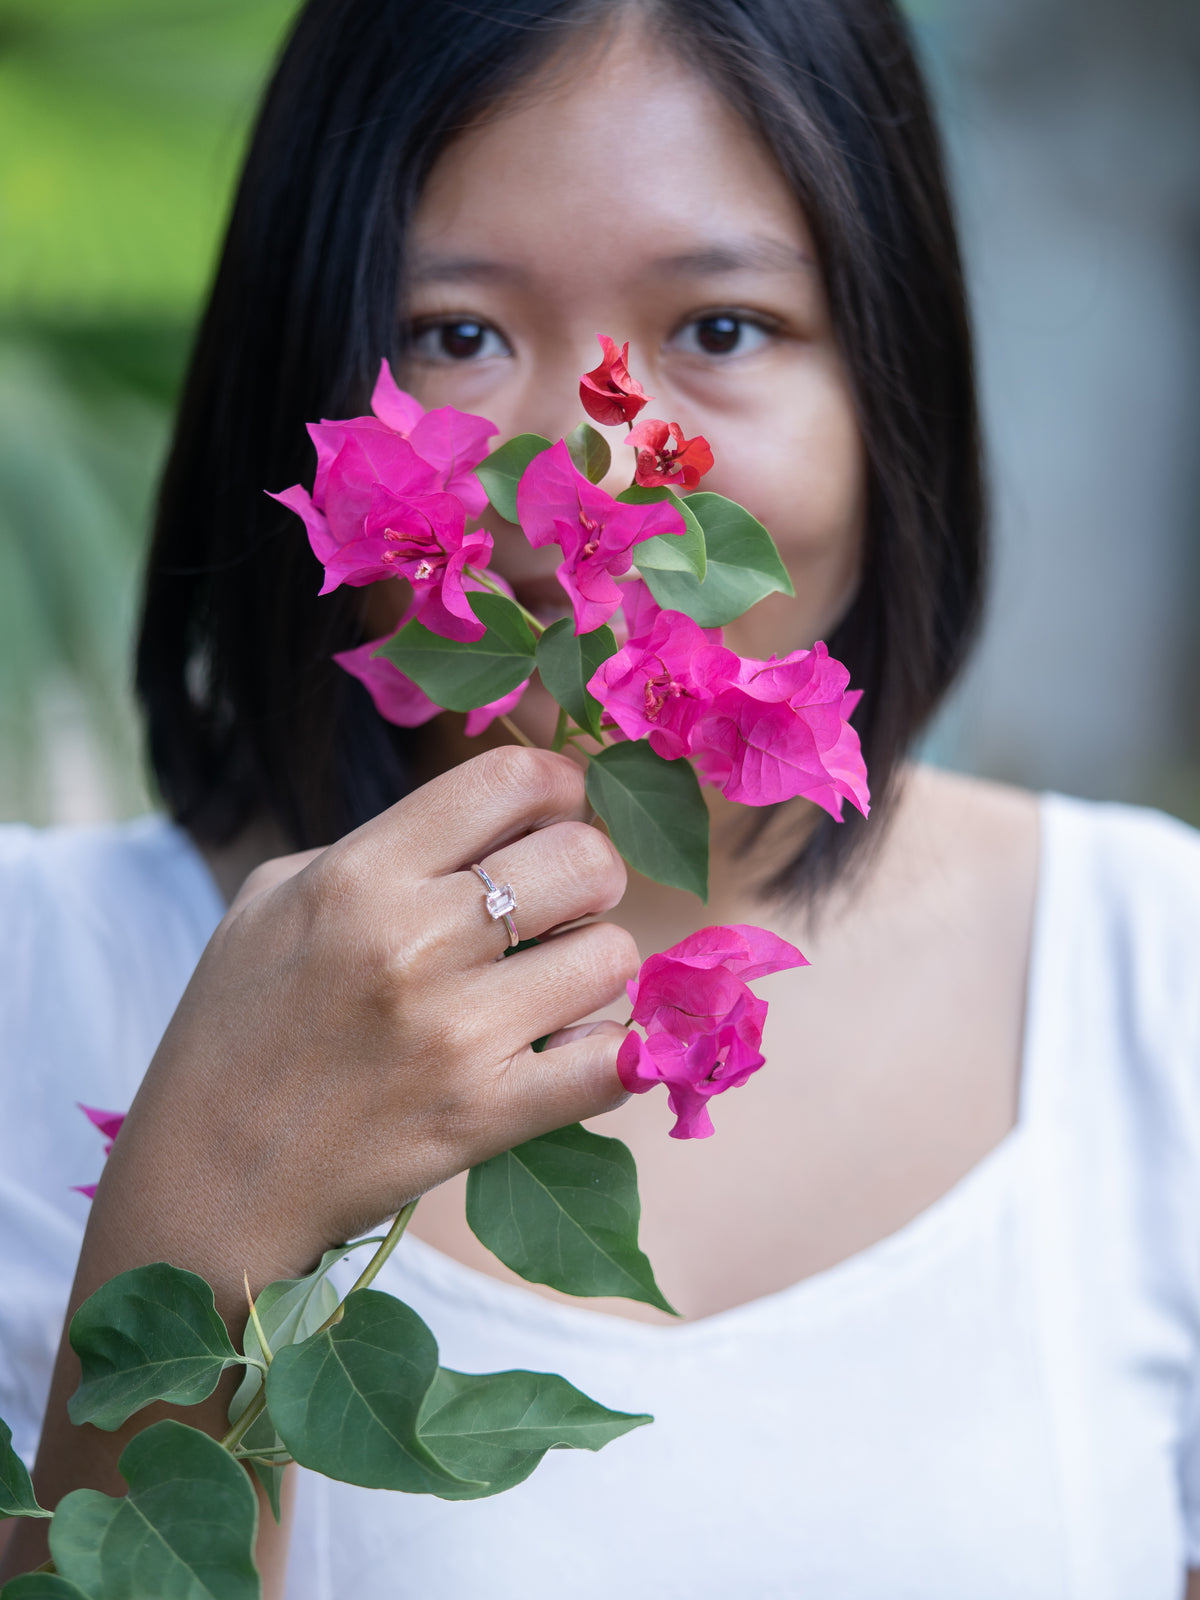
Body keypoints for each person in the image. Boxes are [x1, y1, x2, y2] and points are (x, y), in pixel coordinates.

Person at [3, 0, 1199, 1595]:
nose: (592, 453)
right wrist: (215, 1189)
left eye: (721, 330)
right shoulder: (32, 978)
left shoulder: (1152, 983)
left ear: (886, 396)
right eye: (456, 334)